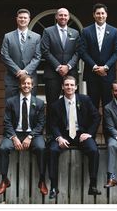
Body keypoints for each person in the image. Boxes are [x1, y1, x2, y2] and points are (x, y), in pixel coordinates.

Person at [48, 75, 101, 199]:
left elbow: (96, 117)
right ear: (62, 86)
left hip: (81, 134)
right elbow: (53, 124)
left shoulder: (85, 100)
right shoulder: (56, 105)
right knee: (52, 150)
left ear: (76, 87)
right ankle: (54, 187)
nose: (69, 87)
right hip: (64, 135)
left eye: (72, 85)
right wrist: (59, 138)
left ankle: (92, 185)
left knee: (93, 150)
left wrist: (89, 133)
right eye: (66, 85)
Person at [0, 75, 48, 196]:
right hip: (15, 133)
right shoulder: (11, 101)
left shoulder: (39, 103)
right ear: (20, 85)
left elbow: (41, 123)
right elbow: (7, 122)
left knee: (41, 148)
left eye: (29, 84)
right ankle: (4, 179)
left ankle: (41, 180)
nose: (26, 86)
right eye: (24, 83)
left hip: (33, 134)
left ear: (32, 86)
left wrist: (30, 136)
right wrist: (14, 138)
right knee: (3, 148)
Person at [41, 8, 80, 138]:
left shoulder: (75, 32)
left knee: (72, 103)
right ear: (56, 17)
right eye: (60, 15)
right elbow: (45, 51)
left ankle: (72, 132)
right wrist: (58, 66)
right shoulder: (48, 31)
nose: (63, 17)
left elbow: (78, 52)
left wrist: (68, 66)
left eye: (65, 15)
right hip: (52, 74)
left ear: (68, 18)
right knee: (52, 105)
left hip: (70, 73)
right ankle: (52, 135)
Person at [80, 3, 117, 110]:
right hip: (92, 74)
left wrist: (105, 67)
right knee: (92, 106)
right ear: (94, 15)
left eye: (103, 13)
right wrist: (95, 67)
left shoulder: (114, 31)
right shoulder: (86, 31)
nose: (100, 16)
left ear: (106, 15)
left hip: (107, 75)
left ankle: (108, 128)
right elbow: (83, 52)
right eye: (98, 13)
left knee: (108, 107)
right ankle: (93, 127)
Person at [1, 8, 41, 99]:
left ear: (29, 19)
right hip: (12, 79)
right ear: (17, 19)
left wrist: (26, 71)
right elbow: (4, 55)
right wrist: (17, 71)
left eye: (25, 18)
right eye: (20, 17)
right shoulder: (8, 36)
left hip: (30, 79)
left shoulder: (36, 37)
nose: (23, 19)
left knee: (29, 108)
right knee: (11, 108)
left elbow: (37, 57)